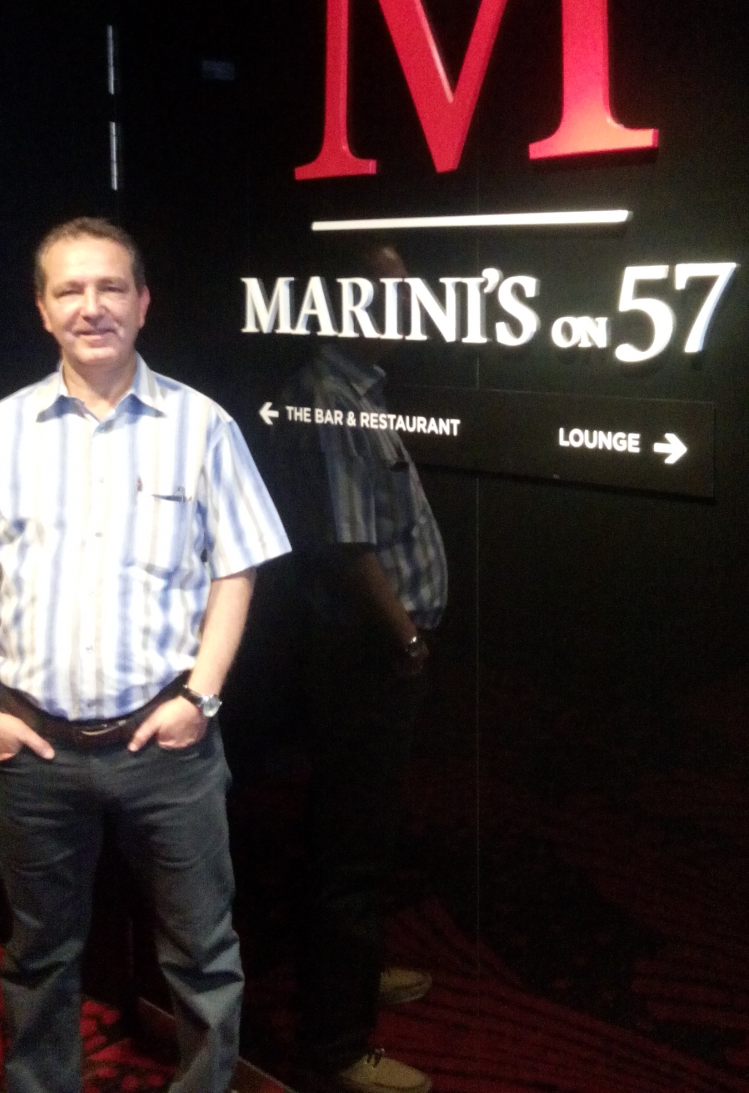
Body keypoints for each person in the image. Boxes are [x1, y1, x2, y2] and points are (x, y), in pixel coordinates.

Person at [0, 217, 290, 1093]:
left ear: (143, 303)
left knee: (203, 954)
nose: (93, 307)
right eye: (70, 290)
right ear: (43, 309)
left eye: (111, 287)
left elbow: (238, 568)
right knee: (39, 952)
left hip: (168, 752)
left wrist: (201, 698)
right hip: (32, 752)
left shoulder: (203, 425)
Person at [273, 242, 447, 1093]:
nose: (405, 306)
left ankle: (356, 973)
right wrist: (403, 638)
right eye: (389, 292)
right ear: (346, 300)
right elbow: (347, 547)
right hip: (364, 654)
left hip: (375, 652)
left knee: (363, 832)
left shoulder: (361, 388)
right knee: (352, 842)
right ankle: (337, 1045)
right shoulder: (329, 394)